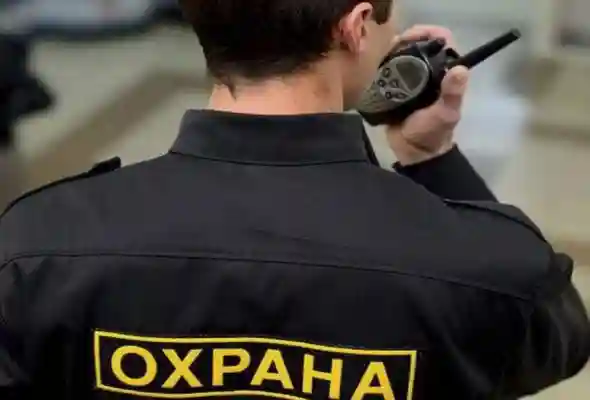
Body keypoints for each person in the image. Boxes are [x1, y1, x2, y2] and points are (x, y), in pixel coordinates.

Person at [0, 1, 588, 399]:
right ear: (356, 25)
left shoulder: (36, 245)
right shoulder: (483, 267)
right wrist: (431, 157)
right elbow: (557, 337)